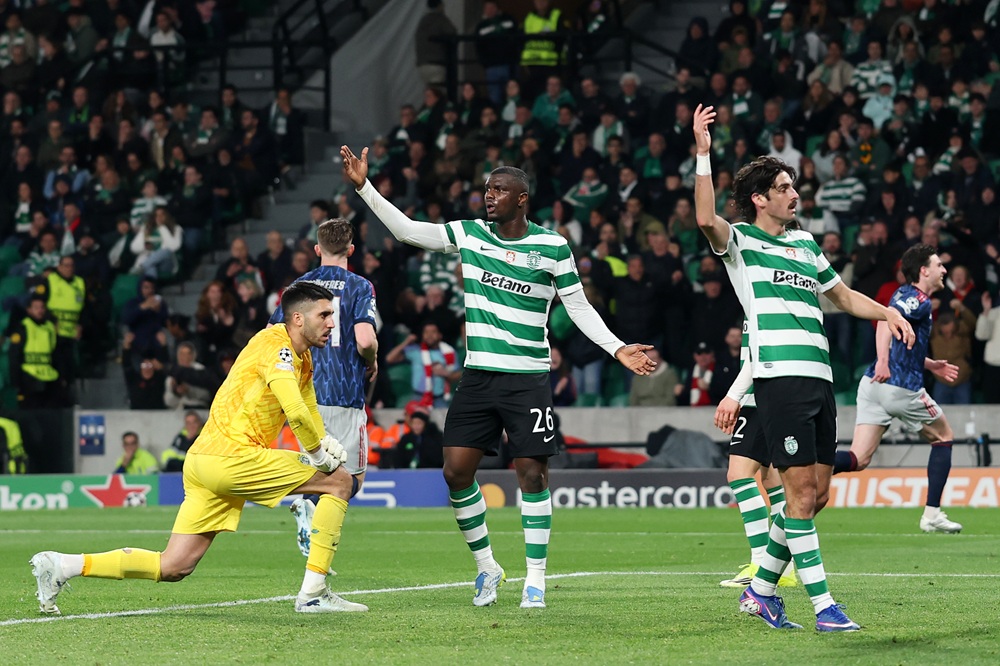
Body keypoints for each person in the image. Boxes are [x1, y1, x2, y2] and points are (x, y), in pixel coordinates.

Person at [341, 144, 655, 609]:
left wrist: (617, 347)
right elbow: (408, 231)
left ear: (522, 198)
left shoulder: (552, 246)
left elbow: (579, 307)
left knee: (531, 474)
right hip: (478, 377)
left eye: (500, 190)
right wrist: (365, 186)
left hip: (527, 379)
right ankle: (488, 567)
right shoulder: (469, 235)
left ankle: (536, 579)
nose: (490, 197)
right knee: (455, 472)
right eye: (487, 189)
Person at [693, 104, 914, 632]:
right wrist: (703, 156)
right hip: (780, 380)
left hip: (819, 380)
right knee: (796, 494)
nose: (796, 194)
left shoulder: (805, 243)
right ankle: (825, 608)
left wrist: (887, 311)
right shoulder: (741, 243)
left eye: (795, 186)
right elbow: (704, 218)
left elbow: (840, 296)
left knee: (817, 495)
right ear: (760, 198)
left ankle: (762, 589)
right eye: (786, 187)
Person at [31, 282, 369, 615]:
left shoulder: (303, 357)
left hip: (203, 461)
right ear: (297, 318)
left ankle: (62, 565)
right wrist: (319, 455)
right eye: (324, 314)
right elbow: (294, 411)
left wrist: (324, 440)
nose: (331, 323)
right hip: (233, 456)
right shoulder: (275, 345)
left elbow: (308, 409)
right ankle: (314, 593)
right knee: (339, 481)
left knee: (174, 565)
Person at [267, 218, 378, 559]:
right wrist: (372, 360)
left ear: (317, 250)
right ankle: (308, 507)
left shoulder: (299, 287)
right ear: (351, 250)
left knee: (322, 470)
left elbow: (272, 334)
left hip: (304, 394)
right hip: (344, 395)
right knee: (351, 479)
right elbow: (364, 338)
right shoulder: (360, 286)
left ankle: (310, 512)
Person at [832, 244, 962, 534]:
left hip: (872, 387)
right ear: (924, 270)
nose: (944, 270)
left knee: (858, 459)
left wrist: (930, 365)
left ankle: (809, 465)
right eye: (939, 265)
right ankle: (932, 515)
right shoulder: (919, 300)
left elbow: (903, 342)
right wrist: (881, 361)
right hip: (899, 387)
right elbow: (884, 320)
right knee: (944, 436)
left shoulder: (905, 294)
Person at [713, 321, 796, 589]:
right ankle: (785, 569)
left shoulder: (758, 299)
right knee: (773, 480)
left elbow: (757, 355)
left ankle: (760, 563)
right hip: (779, 396)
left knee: (739, 475)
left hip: (758, 396)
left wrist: (734, 396)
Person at [385, 322, 457, 409]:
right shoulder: (415, 351)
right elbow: (389, 359)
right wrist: (406, 342)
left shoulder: (448, 352)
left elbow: (458, 375)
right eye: (426, 332)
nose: (429, 335)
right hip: (418, 397)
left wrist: (446, 373)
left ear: (439, 335)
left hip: (439, 398)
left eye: (433, 332)